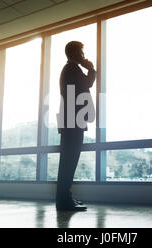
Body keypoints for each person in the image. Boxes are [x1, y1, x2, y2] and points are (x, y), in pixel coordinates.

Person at [56, 41, 96, 211]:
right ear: (74, 53)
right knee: (69, 162)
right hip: (73, 122)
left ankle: (65, 198)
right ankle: (64, 201)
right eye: (81, 52)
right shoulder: (72, 69)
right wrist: (92, 69)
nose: (83, 55)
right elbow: (87, 84)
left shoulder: (70, 69)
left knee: (68, 161)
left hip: (71, 121)